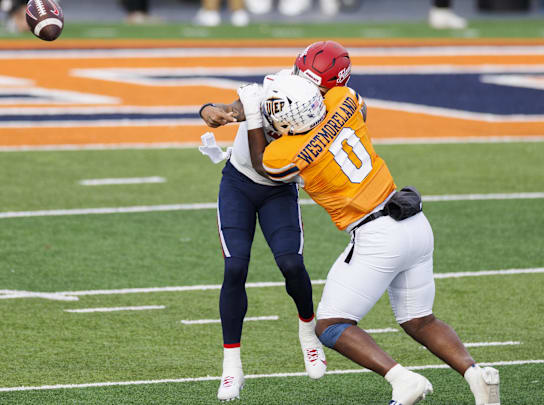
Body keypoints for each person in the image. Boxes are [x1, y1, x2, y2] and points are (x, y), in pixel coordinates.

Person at [256, 75, 500, 405]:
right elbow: (342, 103)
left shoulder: (285, 151)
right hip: (413, 221)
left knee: (330, 324)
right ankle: (476, 375)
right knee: (420, 320)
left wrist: (253, 117)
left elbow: (264, 165)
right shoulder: (343, 100)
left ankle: (402, 379)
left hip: (376, 233)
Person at [196, 40, 354, 402]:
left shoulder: (332, 112)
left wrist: (251, 116)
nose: (304, 83)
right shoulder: (282, 83)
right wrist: (213, 110)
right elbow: (235, 109)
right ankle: (231, 368)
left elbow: (270, 164)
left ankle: (308, 331)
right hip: (238, 181)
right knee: (235, 267)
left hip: (278, 187)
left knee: (291, 263)